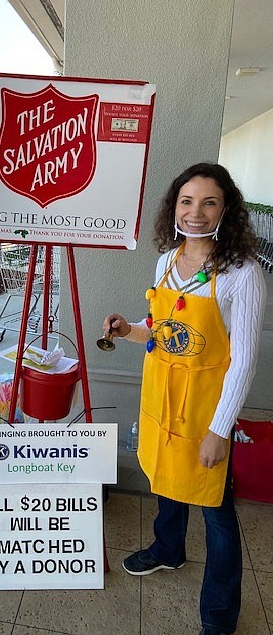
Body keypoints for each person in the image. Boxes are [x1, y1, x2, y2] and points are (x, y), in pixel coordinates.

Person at [102, 163, 266, 635]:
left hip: (205, 412)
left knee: (216, 513)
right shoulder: (168, 262)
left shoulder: (241, 274)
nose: (196, 213)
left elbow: (243, 362)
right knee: (164, 478)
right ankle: (168, 550)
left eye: (209, 202)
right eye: (187, 201)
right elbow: (161, 330)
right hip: (161, 399)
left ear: (226, 210)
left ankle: (219, 615)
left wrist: (219, 430)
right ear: (175, 207)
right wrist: (129, 329)